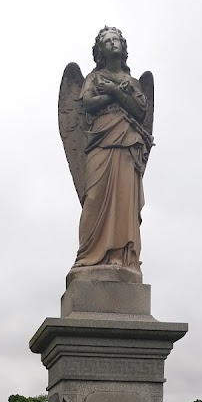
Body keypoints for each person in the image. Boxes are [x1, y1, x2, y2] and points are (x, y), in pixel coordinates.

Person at [74, 27, 152, 274]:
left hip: (128, 143)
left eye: (115, 39)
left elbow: (140, 111)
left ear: (123, 46)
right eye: (107, 41)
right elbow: (87, 103)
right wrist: (116, 96)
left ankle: (121, 256)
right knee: (94, 198)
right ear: (101, 51)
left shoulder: (133, 83)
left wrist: (115, 91)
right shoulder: (93, 79)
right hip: (101, 139)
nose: (112, 43)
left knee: (123, 200)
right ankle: (89, 256)